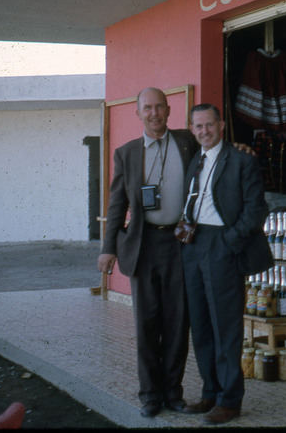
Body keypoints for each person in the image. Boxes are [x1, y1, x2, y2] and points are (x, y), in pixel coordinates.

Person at [97, 87, 194, 418]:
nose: (154, 113)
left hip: (181, 244)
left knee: (179, 323)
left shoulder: (187, 143)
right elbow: (116, 204)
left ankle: (173, 392)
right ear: (137, 113)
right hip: (143, 245)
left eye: (159, 107)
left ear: (169, 110)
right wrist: (107, 248)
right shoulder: (126, 153)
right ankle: (150, 395)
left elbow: (215, 154)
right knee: (147, 323)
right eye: (147, 108)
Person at [181, 103, 269, 425]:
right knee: (201, 324)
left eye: (209, 125)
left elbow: (256, 209)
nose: (204, 131)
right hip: (192, 246)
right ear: (192, 129)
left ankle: (230, 399)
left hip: (222, 245)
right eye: (198, 126)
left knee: (225, 326)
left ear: (221, 125)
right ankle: (210, 392)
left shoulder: (242, 160)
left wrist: (229, 243)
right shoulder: (196, 161)